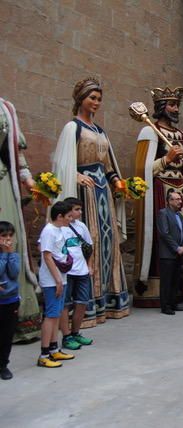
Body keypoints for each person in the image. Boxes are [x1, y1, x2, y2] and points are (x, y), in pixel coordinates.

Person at [52, 78, 129, 325]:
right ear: (80, 99)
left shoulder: (100, 131)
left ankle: (108, 299)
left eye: (98, 99)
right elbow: (62, 164)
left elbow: (107, 164)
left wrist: (117, 181)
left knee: (108, 242)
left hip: (102, 192)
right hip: (83, 195)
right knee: (90, 240)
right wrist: (76, 175)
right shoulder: (72, 128)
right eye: (91, 98)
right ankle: (85, 306)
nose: (95, 103)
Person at [133, 86, 183, 308]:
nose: (176, 109)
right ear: (162, 107)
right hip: (159, 191)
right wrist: (167, 158)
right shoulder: (150, 131)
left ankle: (180, 290)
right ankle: (156, 290)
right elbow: (142, 170)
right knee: (163, 237)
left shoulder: (181, 135)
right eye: (172, 105)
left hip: (181, 190)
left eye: (177, 105)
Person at [0, 98, 40, 343]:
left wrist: (29, 181)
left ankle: (15, 319)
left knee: (7, 238)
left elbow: (16, 151)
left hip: (2, 181)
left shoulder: (5, 108)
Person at [37, 201, 76, 368]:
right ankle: (44, 353)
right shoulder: (49, 231)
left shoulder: (59, 230)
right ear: (59, 216)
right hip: (52, 280)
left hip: (61, 277)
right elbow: (47, 256)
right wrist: (58, 280)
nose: (70, 219)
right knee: (51, 315)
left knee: (57, 313)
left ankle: (54, 349)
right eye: (68, 216)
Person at [59, 197, 94, 351]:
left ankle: (76, 332)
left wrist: (90, 266)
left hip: (82, 272)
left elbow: (89, 247)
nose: (79, 212)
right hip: (66, 273)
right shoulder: (58, 227)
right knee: (65, 305)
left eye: (80, 209)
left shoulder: (81, 227)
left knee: (82, 303)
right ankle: (66, 336)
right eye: (76, 209)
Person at [156, 190, 183, 315]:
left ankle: (173, 303)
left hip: (179, 253)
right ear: (169, 201)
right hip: (168, 254)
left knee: (175, 280)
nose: (180, 201)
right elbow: (164, 233)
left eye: (180, 199)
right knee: (167, 281)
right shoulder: (163, 213)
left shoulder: (180, 216)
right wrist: (176, 247)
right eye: (177, 199)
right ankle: (166, 306)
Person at [0, 221, 20, 379]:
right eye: (3, 236)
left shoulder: (14, 254)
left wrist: (9, 253)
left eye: (9, 236)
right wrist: (5, 255)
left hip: (10, 300)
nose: (7, 239)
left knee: (7, 335)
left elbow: (14, 273)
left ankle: (3, 365)